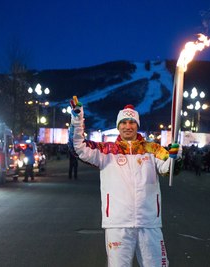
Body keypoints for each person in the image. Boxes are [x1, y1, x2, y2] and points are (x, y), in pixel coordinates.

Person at [69, 98, 181, 266]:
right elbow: (77, 147)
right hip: (118, 223)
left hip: (148, 222)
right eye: (124, 122)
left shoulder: (152, 149)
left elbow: (169, 169)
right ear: (118, 125)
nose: (128, 126)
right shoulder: (106, 151)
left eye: (132, 122)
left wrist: (175, 156)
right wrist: (77, 119)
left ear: (137, 125)